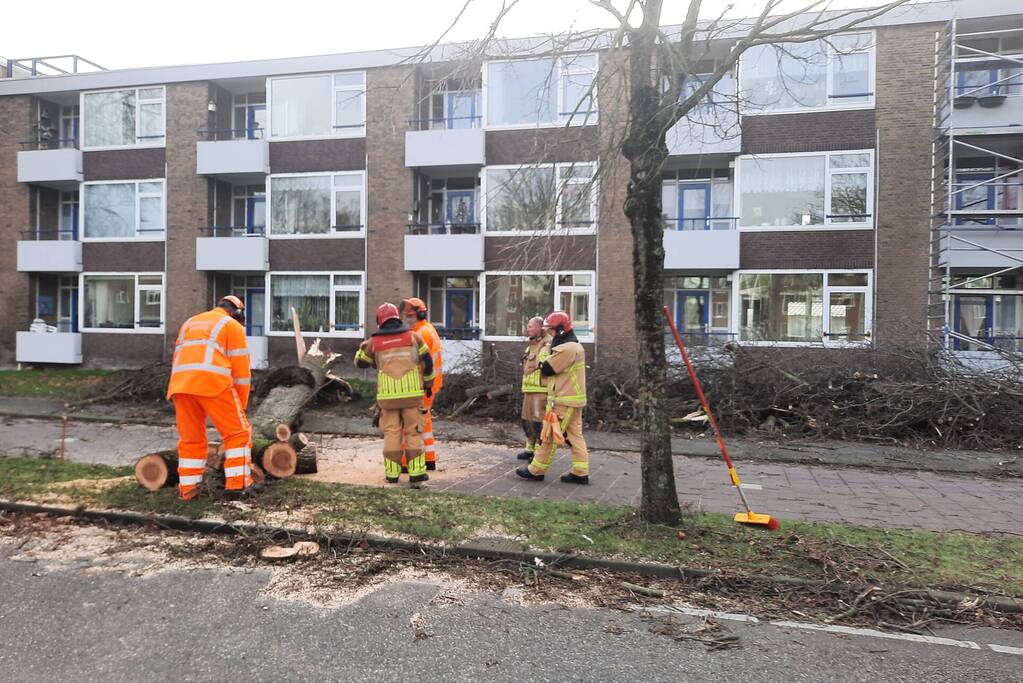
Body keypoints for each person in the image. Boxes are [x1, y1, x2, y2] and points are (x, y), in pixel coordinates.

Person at [166, 295, 253, 500]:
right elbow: (241, 372)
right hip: (214, 383)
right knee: (238, 433)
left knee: (191, 440)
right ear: (238, 313)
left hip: (181, 386)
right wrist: (241, 405)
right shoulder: (232, 326)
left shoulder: (190, 322)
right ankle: (238, 486)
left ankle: (188, 491)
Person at [355, 303, 436, 484]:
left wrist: (362, 347)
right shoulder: (414, 337)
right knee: (413, 433)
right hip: (412, 395)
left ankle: (392, 475)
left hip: (387, 397)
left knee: (392, 433)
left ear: (380, 321)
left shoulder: (374, 342)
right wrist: (428, 384)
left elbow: (360, 363)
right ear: (397, 319)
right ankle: (416, 474)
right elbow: (428, 362)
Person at [515, 311, 590, 484]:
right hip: (571, 399)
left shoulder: (567, 348)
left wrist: (544, 353)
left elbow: (546, 368)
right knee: (574, 436)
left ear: (561, 330)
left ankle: (536, 470)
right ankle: (580, 472)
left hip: (564, 399)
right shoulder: (570, 346)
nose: (550, 334)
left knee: (548, 434)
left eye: (552, 330)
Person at [402, 297, 443, 470]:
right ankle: (429, 458)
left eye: (409, 316)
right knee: (424, 422)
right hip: (430, 384)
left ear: (417, 315)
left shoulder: (421, 333)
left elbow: (417, 362)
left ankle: (406, 463)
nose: (406, 319)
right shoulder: (428, 328)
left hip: (422, 385)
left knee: (411, 424)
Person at [518, 316, 552, 461]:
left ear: (539, 327)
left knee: (539, 422)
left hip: (541, 389)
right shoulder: (530, 345)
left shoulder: (548, 343)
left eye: (530, 326)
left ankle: (539, 452)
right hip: (529, 389)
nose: (528, 329)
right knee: (527, 420)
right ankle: (529, 447)